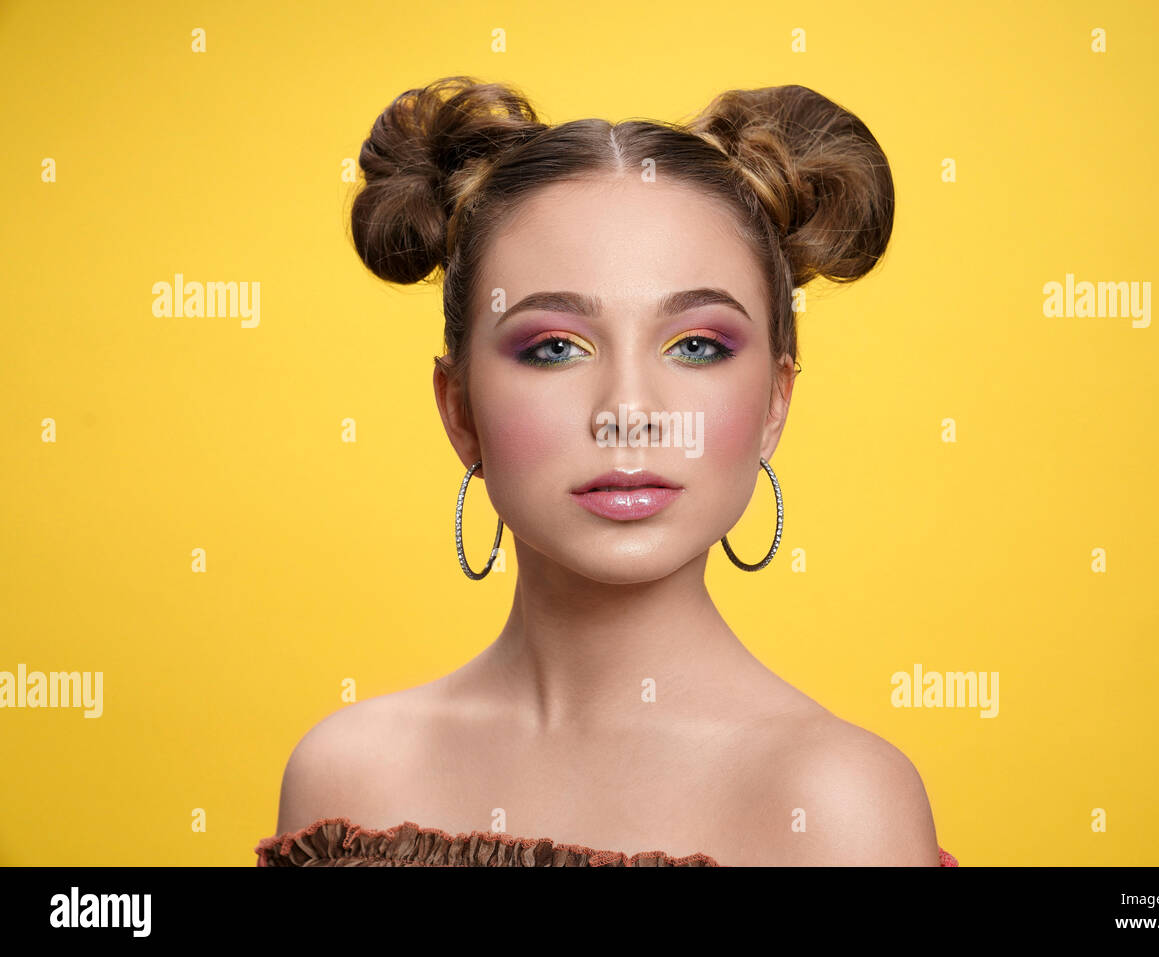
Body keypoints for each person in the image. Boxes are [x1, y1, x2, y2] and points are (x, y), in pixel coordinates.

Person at [257, 76, 958, 867]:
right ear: (459, 409)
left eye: (696, 345)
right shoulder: (347, 780)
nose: (628, 411)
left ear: (774, 401)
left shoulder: (838, 803)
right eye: (555, 346)